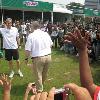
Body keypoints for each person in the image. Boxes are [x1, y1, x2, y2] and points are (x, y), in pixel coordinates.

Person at [25, 21, 53, 93]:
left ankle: (39, 91)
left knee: (38, 75)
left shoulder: (31, 35)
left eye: (30, 27)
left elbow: (28, 50)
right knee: (44, 74)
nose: (30, 28)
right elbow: (51, 44)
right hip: (48, 56)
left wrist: (26, 59)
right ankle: (40, 86)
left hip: (38, 58)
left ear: (32, 27)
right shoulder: (45, 33)